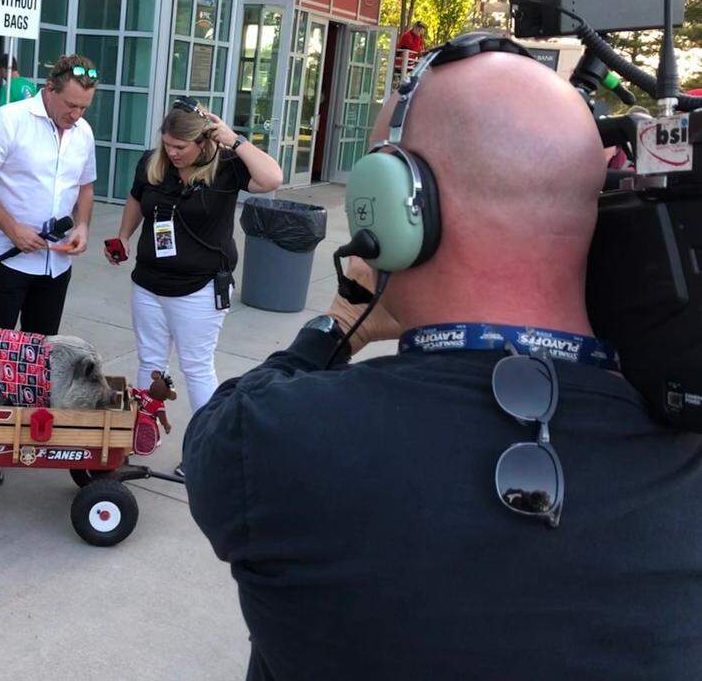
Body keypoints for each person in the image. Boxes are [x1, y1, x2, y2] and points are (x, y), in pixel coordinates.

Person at [183, 44, 702, 679]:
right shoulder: (682, 460)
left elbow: (212, 434)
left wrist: (340, 325)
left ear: (399, 206)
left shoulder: (273, 441)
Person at [106, 97, 281, 476]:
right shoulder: (155, 163)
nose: (171, 153)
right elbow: (138, 198)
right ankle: (140, 437)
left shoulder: (228, 167)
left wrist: (235, 140)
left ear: (203, 142)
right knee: (150, 364)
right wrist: (123, 236)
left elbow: (272, 179)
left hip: (199, 289)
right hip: (149, 283)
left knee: (196, 368)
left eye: (180, 147)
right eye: (167, 145)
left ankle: (206, 453)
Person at [0, 54, 98, 485]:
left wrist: (84, 226)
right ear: (50, 90)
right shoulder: (9, 120)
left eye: (84, 108)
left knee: (40, 354)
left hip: (55, 266)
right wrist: (11, 227)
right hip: (6, 259)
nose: (75, 115)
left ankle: (26, 432)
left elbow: (85, 185)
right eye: (70, 105)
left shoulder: (82, 131)